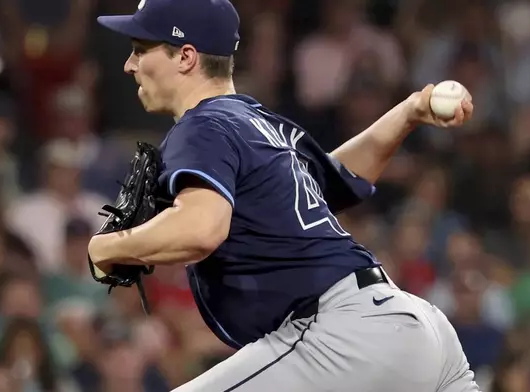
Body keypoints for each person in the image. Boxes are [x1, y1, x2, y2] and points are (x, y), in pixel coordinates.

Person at [88, 0, 477, 391]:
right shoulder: (261, 122)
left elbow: (202, 229)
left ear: (186, 57)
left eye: (140, 49)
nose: (129, 64)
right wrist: (408, 112)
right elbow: (341, 177)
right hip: (418, 330)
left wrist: (109, 247)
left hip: (342, 338)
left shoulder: (202, 126)